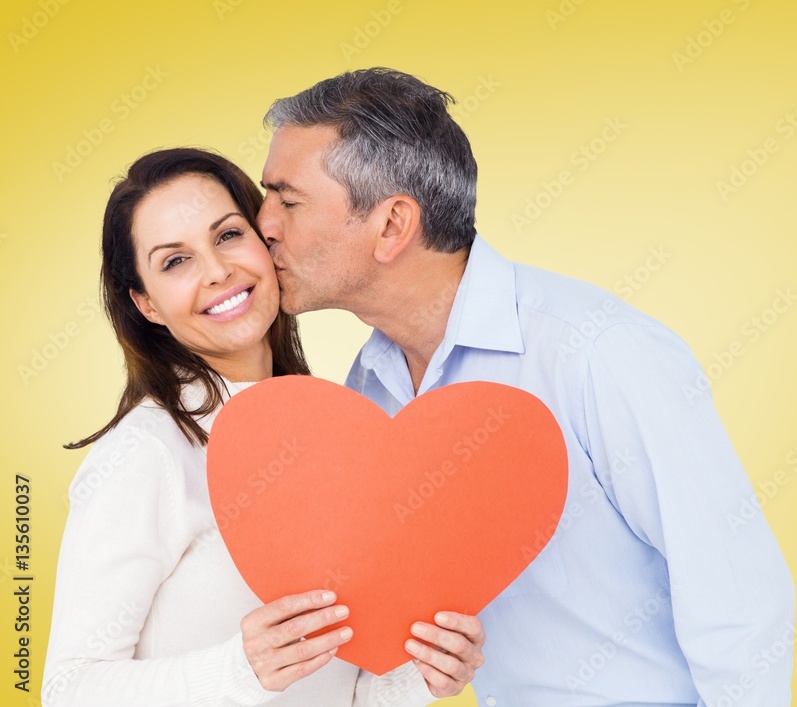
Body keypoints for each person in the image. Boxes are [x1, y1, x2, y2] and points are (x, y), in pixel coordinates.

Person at [256, 68, 797, 706]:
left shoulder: (596, 351)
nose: (263, 224)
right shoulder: (371, 385)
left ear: (392, 225)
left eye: (287, 200)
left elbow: (736, 594)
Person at [42, 148, 485, 706]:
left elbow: (345, 692)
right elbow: (69, 687)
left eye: (228, 235)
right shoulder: (147, 451)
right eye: (174, 262)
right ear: (146, 303)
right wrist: (240, 669)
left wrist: (418, 673)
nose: (218, 271)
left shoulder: (334, 434)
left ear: (267, 241)